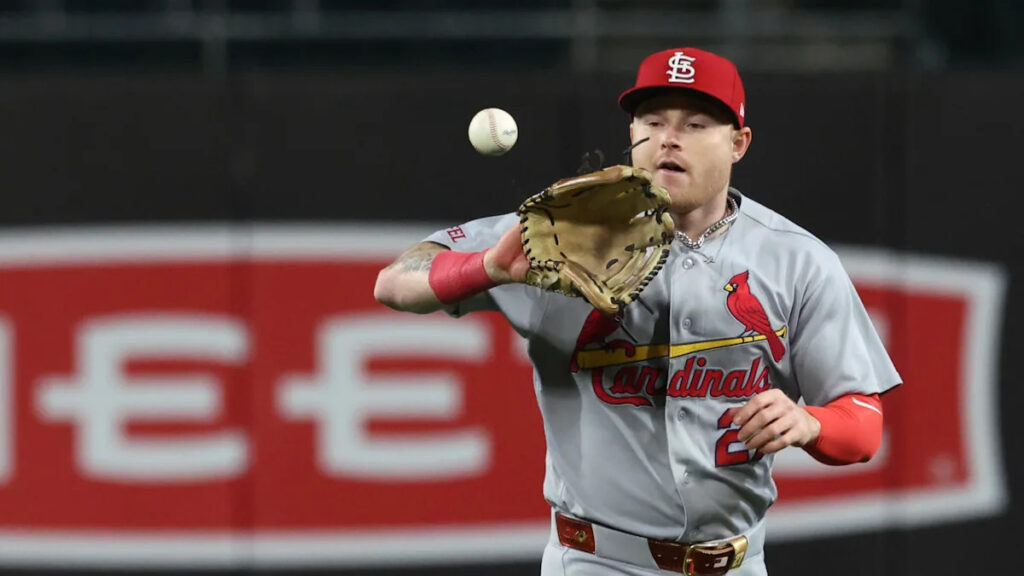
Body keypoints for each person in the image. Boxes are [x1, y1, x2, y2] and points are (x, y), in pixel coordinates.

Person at [374, 47, 901, 576]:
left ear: (738, 143)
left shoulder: (797, 261)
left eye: (695, 124)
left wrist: (810, 422)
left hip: (737, 564)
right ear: (632, 134)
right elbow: (395, 282)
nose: (669, 138)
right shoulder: (560, 234)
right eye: (653, 121)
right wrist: (487, 267)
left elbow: (863, 427)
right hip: (598, 563)